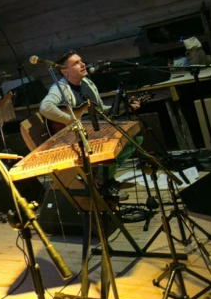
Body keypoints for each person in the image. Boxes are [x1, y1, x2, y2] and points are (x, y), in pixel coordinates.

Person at [39, 50, 140, 198]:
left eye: (81, 61)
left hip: (92, 132)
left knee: (135, 140)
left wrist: (124, 106)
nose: (83, 64)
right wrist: (72, 121)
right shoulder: (60, 88)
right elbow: (45, 107)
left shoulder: (88, 82)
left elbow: (100, 110)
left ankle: (101, 178)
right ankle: (103, 181)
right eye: (76, 63)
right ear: (64, 71)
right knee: (116, 145)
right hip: (73, 139)